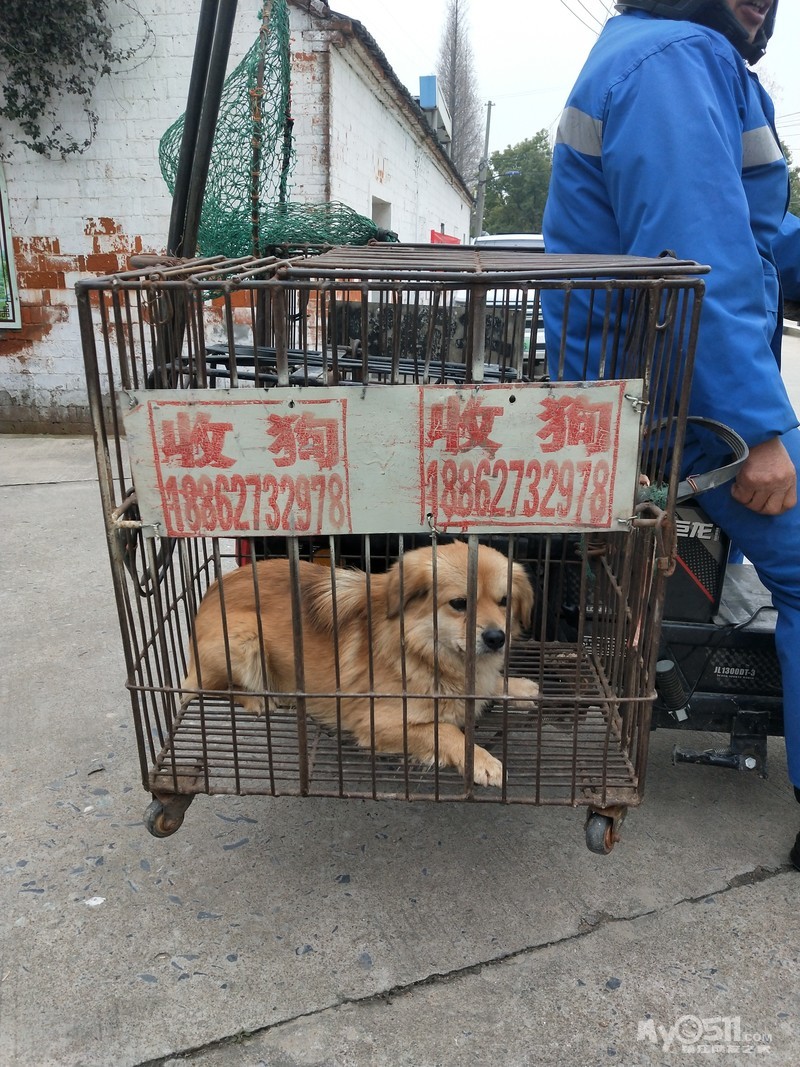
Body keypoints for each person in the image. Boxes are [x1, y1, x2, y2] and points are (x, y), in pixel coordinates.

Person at [542, 0, 800, 865]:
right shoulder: (675, 62)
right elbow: (697, 260)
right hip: (678, 407)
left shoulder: (674, 54)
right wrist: (762, 430)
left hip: (668, 389)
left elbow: (754, 238)